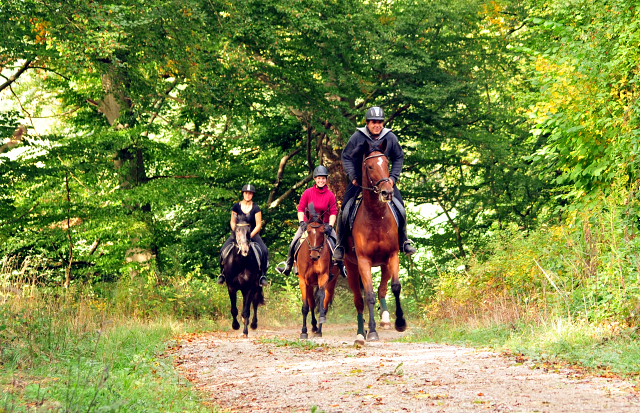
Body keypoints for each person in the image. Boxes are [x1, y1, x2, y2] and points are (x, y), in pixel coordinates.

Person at [333, 106, 417, 261]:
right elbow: (346, 156)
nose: (377, 125)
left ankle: (404, 241)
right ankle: (340, 246)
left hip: (384, 181)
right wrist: (353, 176)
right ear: (367, 123)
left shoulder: (390, 138)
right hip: (360, 181)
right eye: (374, 122)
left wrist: (393, 177)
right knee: (345, 208)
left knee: (400, 207)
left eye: (380, 122)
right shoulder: (358, 137)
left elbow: (398, 157)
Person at [276, 165, 346, 277]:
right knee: (293, 243)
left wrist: (330, 226)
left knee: (336, 244)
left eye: (323, 178)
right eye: (319, 178)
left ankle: (342, 267)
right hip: (308, 225)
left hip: (325, 225)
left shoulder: (330, 195)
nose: (321, 180)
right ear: (315, 179)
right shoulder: (307, 193)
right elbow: (300, 209)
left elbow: (333, 213)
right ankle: (288, 266)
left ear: (326, 179)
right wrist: (301, 223)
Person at [217, 184, 269, 286]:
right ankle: (222, 273)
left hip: (252, 234)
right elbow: (232, 222)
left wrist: (249, 236)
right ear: (243, 194)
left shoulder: (256, 208)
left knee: (264, 250)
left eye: (250, 193)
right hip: (238, 234)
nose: (248, 195)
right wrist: (237, 232)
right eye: (246, 193)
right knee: (223, 249)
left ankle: (263, 275)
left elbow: (258, 224)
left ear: (252, 195)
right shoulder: (236, 206)